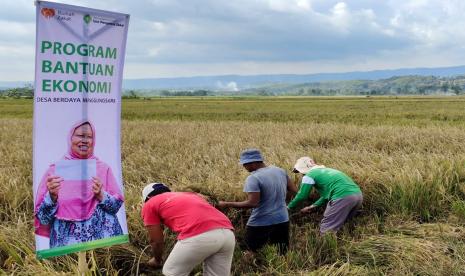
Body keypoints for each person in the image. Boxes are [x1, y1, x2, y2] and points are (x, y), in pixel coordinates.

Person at [34, 120, 124, 248]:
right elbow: (43, 218)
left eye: (89, 137)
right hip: (66, 252)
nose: (85, 140)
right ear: (70, 138)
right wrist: (51, 197)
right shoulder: (54, 171)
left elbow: (115, 207)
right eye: (81, 136)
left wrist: (101, 195)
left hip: (104, 248)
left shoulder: (103, 169)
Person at [141, 183, 235, 276]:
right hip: (228, 233)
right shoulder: (189, 195)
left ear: (147, 198)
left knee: (171, 273)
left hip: (200, 234)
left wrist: (157, 260)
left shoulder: (150, 203)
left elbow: (156, 241)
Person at [218, 148, 296, 254]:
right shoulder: (280, 171)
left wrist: (227, 204)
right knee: (282, 251)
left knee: (249, 250)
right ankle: (285, 269)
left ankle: (250, 269)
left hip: (261, 221)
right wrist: (279, 199)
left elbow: (252, 203)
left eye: (245, 164)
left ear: (253, 163)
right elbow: (294, 190)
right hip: (282, 219)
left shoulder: (253, 178)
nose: (244, 167)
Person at [288, 156, 363, 234]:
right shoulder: (327, 171)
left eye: (300, 172)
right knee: (344, 223)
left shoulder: (309, 175)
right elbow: (326, 196)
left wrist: (289, 207)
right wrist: (312, 206)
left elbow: (302, 195)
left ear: (303, 170)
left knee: (327, 228)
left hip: (342, 197)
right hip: (358, 195)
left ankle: (328, 244)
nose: (301, 175)